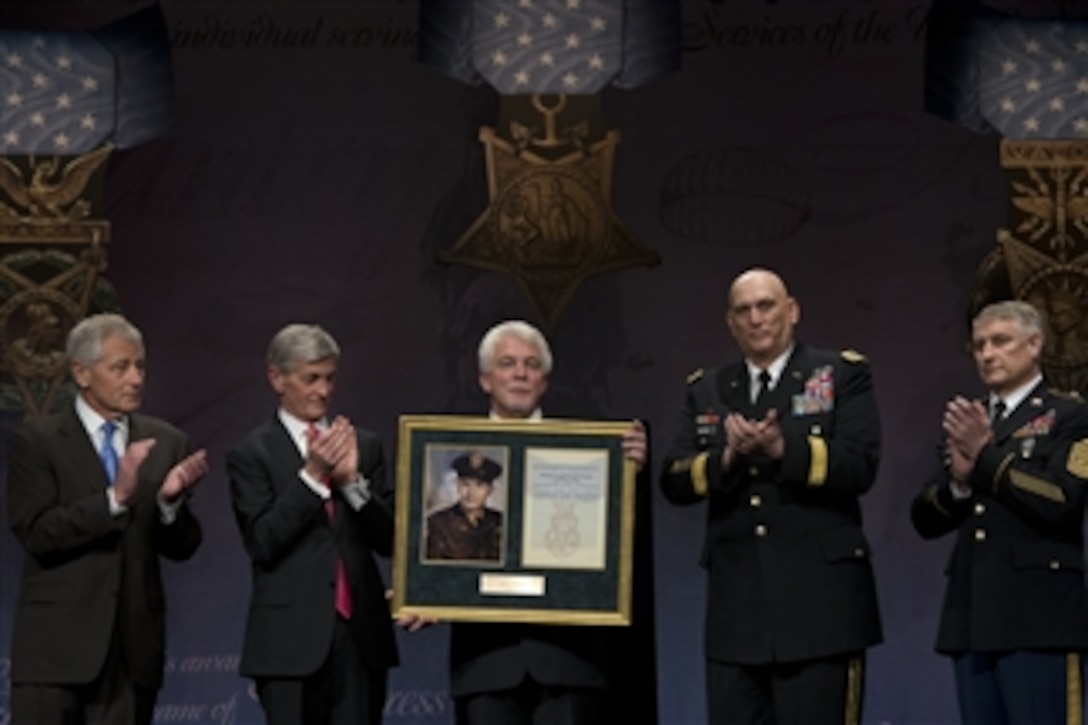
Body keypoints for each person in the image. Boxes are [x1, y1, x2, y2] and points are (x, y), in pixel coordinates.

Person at [660, 268, 883, 725]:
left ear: (792, 311)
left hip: (822, 607)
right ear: (730, 322)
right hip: (738, 612)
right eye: (743, 310)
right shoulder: (708, 388)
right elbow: (675, 479)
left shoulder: (840, 373)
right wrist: (726, 459)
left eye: (766, 306)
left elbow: (860, 464)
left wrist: (784, 450)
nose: (756, 319)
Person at [6, 312, 207, 725]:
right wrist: (114, 499)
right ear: (81, 372)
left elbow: (184, 546)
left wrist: (169, 505)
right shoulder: (38, 441)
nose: (135, 378)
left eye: (140, 366)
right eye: (120, 367)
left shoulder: (166, 441)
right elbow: (38, 531)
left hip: (131, 654)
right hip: (54, 654)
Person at [448, 319, 648, 725]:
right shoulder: (448, 447)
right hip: (487, 663)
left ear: (545, 380)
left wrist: (632, 478)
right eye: (507, 363)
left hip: (570, 660)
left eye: (531, 364)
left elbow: (617, 544)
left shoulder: (592, 449)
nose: (520, 373)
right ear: (485, 379)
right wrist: (425, 589)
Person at [911, 300, 1088, 724]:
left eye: (1000, 341)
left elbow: (1063, 502)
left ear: (1034, 345)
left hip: (1039, 617)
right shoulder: (969, 420)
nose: (988, 354)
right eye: (979, 345)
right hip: (972, 616)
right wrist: (958, 481)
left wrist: (986, 457)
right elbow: (924, 519)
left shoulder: (1071, 415)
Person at [227, 323, 398, 725]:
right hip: (288, 642)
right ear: (277, 378)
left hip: (359, 636)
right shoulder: (251, 454)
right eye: (311, 379)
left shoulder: (364, 445)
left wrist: (353, 484)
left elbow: (390, 541)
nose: (323, 391)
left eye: (330, 378)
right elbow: (262, 541)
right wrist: (312, 477)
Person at [426, 451, 504, 561]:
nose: (471, 493)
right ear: (457, 485)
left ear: (490, 490)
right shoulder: (438, 523)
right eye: (465, 484)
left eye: (479, 485)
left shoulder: (500, 522)